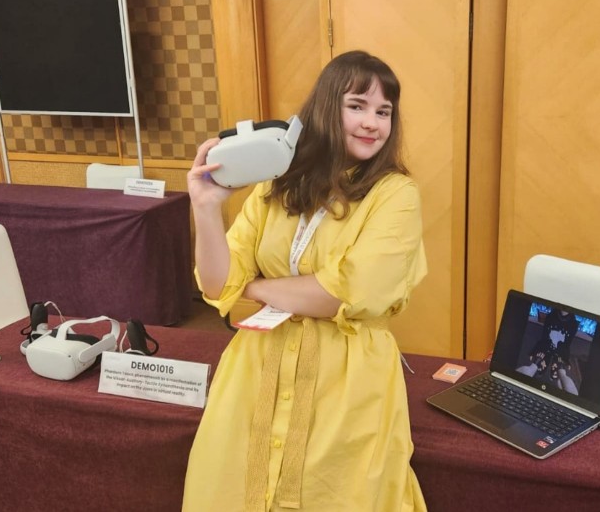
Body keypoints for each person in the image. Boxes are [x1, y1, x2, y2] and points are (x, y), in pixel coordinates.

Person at [183, 50, 428, 511]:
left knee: (336, 493)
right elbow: (217, 286)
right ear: (325, 107)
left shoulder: (397, 194)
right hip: (257, 368)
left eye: (384, 111)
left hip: (347, 380)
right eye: (357, 106)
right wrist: (207, 208)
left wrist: (251, 287)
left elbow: (345, 292)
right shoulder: (275, 184)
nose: (372, 123)